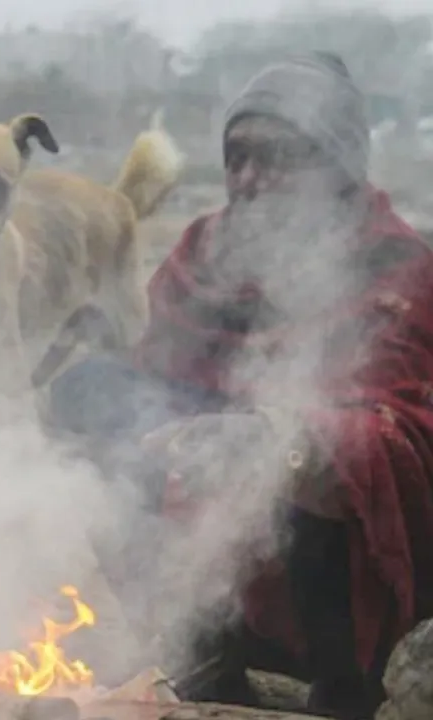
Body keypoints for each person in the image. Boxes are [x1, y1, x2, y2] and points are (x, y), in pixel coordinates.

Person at [47, 53, 433, 719]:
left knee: (317, 454)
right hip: (219, 512)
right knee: (100, 400)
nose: (249, 179)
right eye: (237, 157)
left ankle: (347, 690)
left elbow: (396, 429)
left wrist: (274, 442)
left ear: (335, 166)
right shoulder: (205, 250)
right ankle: (206, 652)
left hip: (348, 552)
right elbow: (155, 381)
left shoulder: (392, 262)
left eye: (276, 157)